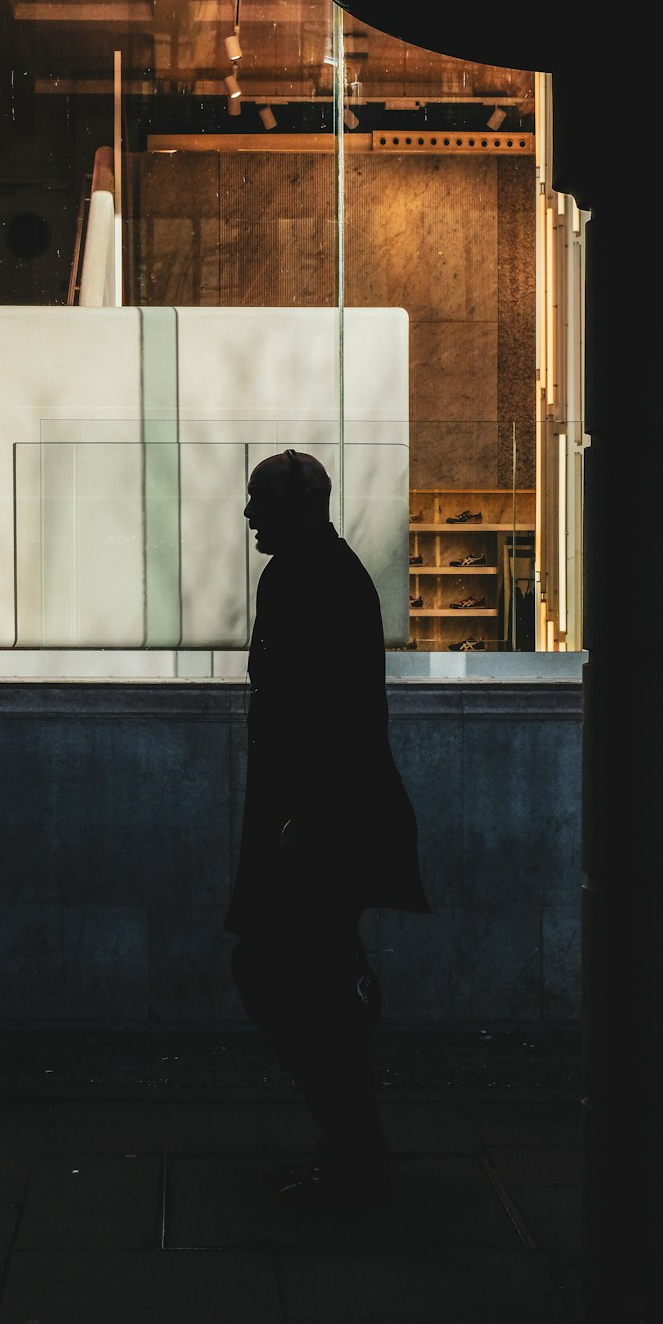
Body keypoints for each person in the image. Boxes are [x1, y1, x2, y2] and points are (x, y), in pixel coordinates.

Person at [224, 449, 430, 1213]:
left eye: (258, 502)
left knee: (281, 978)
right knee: (303, 983)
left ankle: (353, 1153)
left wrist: (299, 821)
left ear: (293, 506)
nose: (247, 516)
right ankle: (352, 1147)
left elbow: (323, 718)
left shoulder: (310, 579)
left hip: (315, 827)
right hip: (318, 822)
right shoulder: (321, 573)